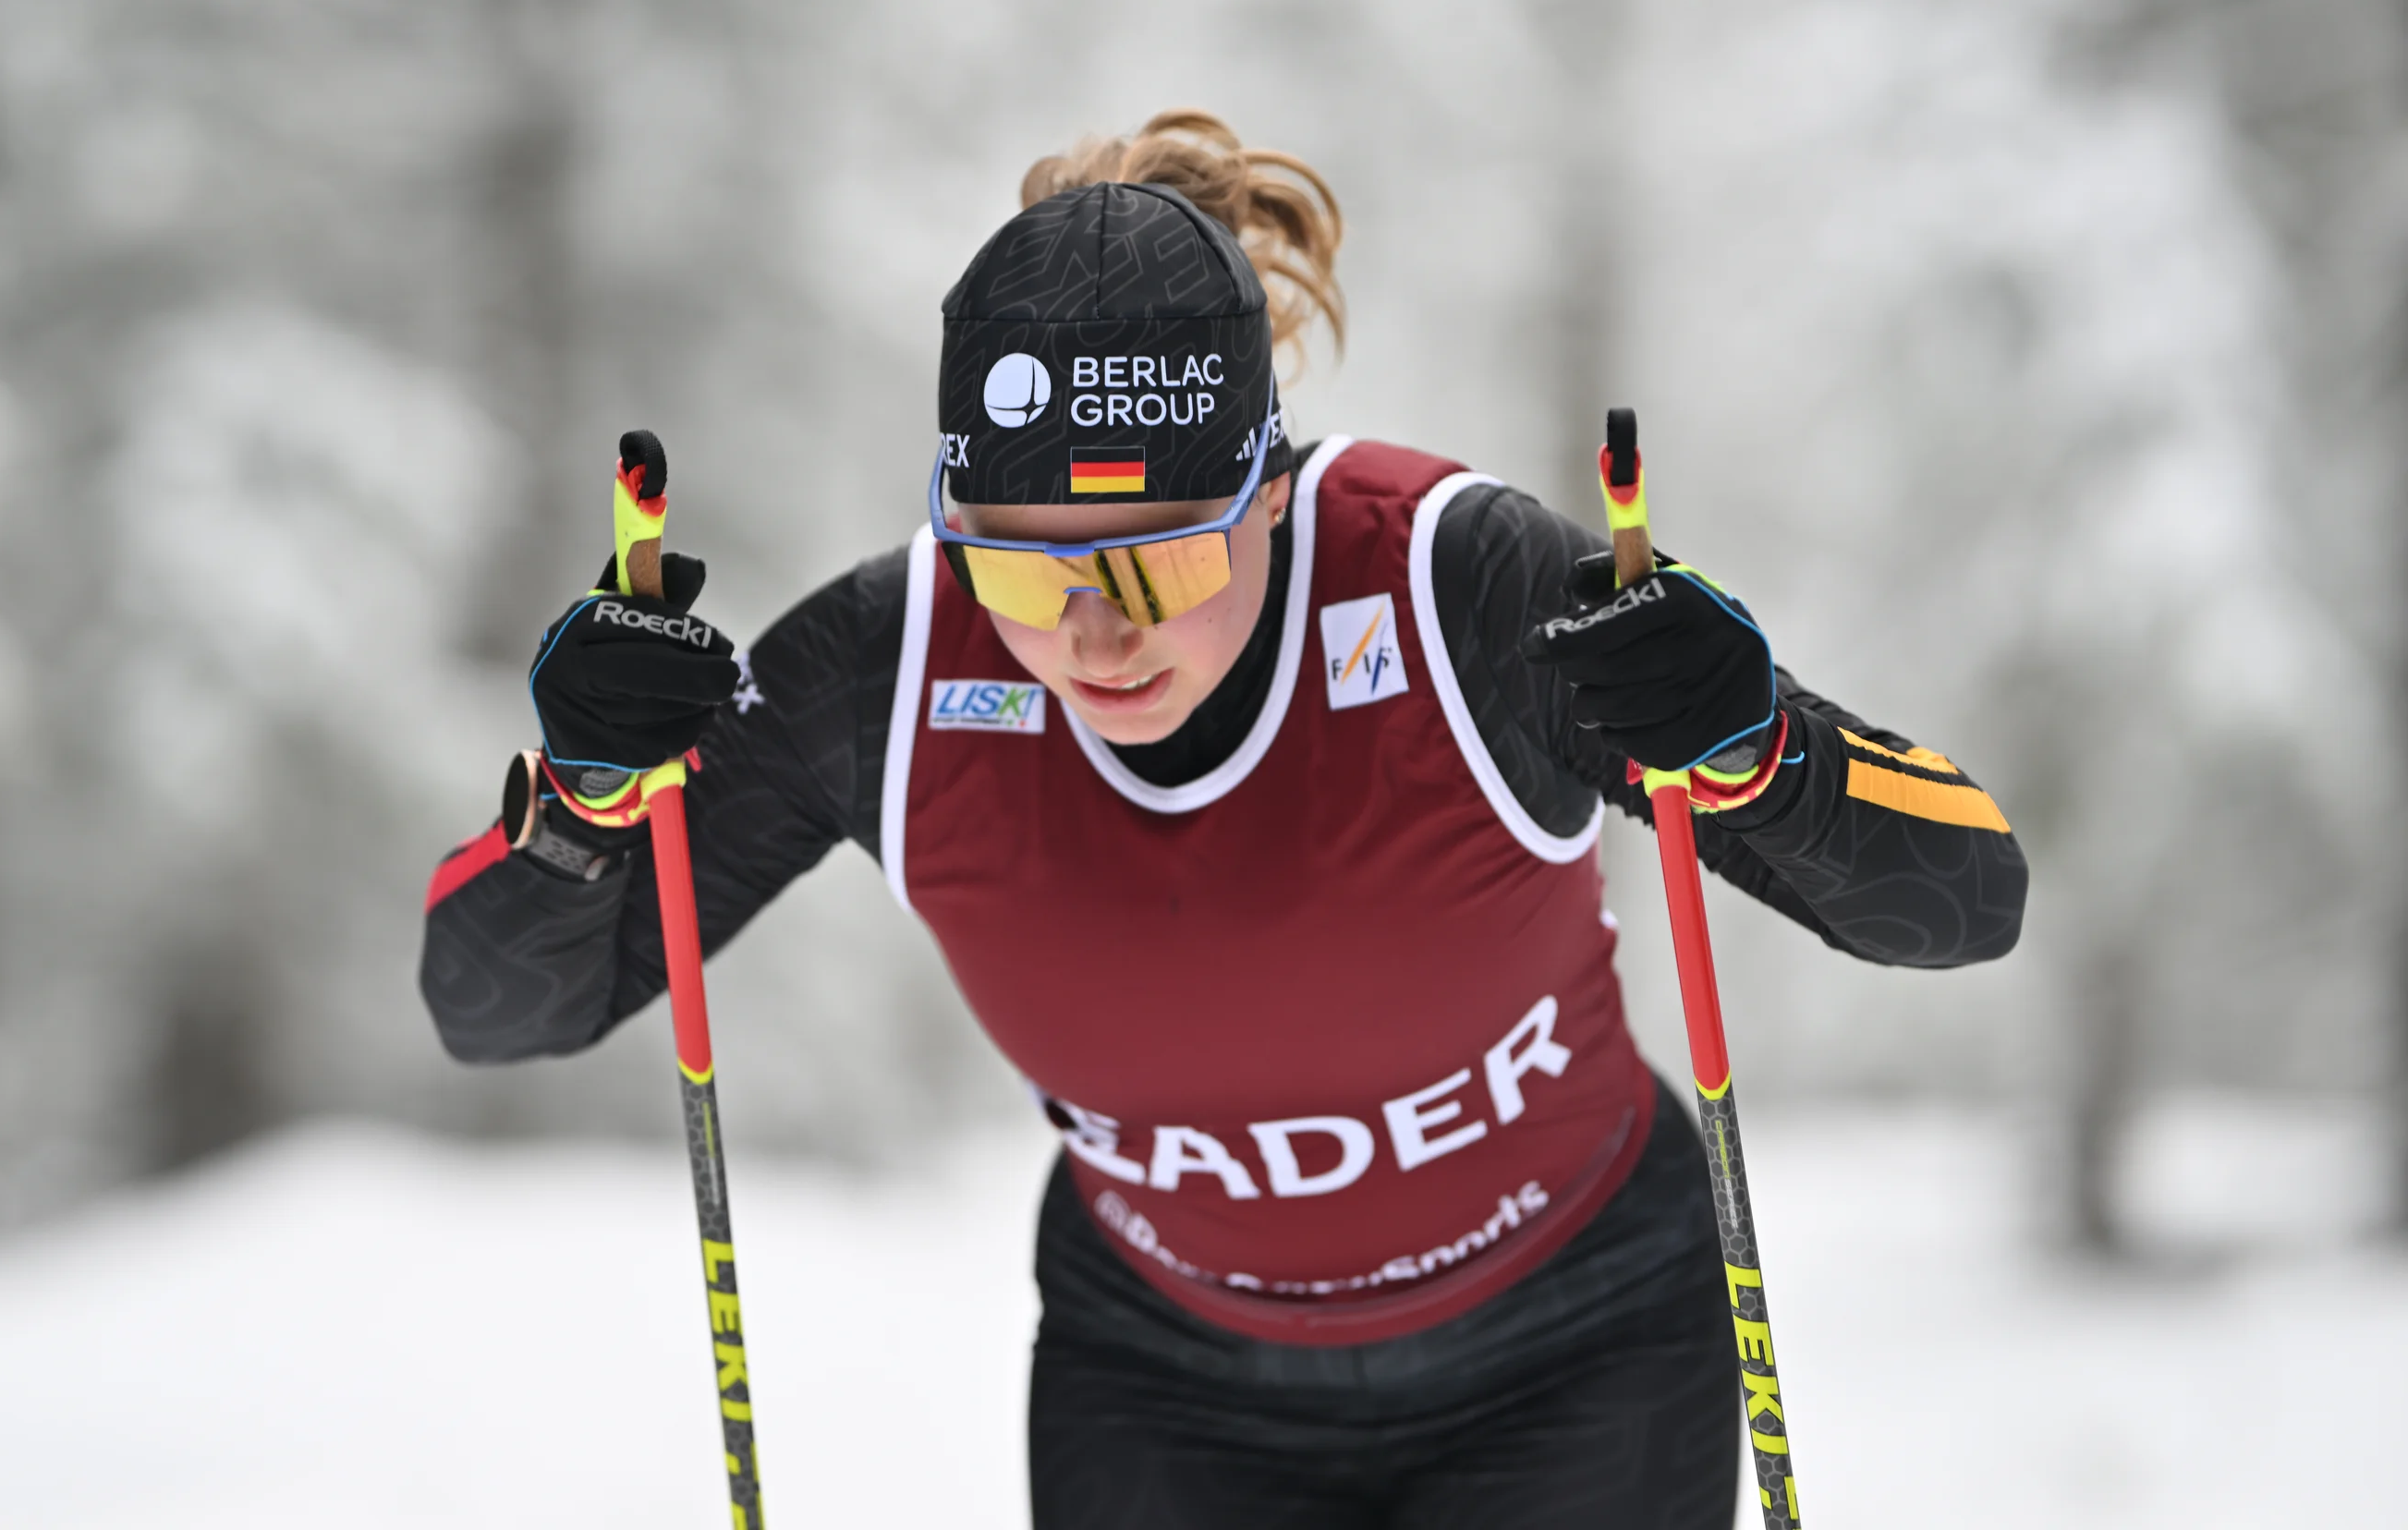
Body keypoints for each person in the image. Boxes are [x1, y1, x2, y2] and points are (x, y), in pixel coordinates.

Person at [420, 110, 2025, 1527]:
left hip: (1579, 1343)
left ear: (1268, 483)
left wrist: (1757, 748)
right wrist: (584, 800)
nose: (1092, 639)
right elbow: (504, 1010)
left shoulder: (1457, 590)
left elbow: (1965, 897)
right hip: (1167, 1385)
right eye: (1022, 571)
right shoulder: (890, 667)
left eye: (1158, 563)